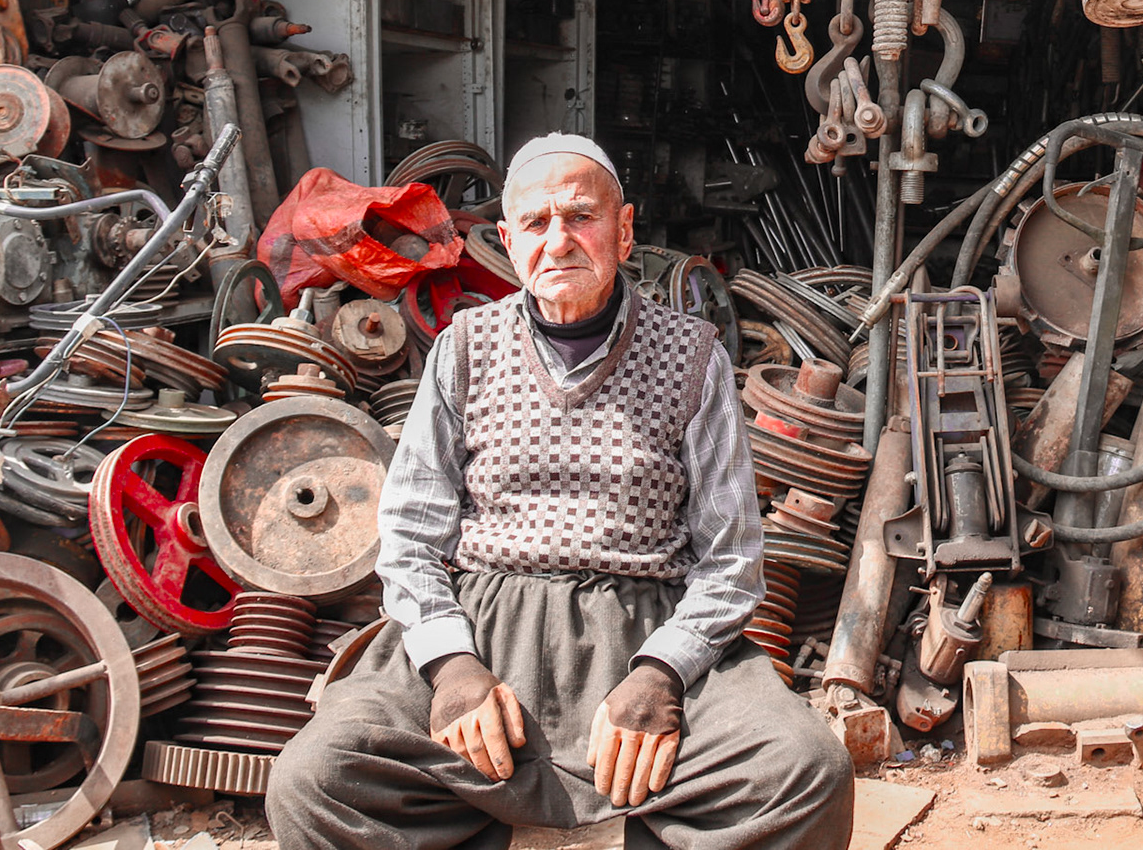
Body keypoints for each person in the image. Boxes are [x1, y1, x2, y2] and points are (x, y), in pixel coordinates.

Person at [267, 133, 854, 850]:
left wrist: (663, 674)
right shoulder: (464, 349)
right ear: (509, 241)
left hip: (646, 624)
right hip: (485, 625)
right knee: (317, 777)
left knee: (804, 770)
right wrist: (452, 670)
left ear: (625, 229)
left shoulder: (693, 355)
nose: (561, 240)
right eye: (538, 224)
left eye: (581, 216)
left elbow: (730, 557)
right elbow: (412, 537)